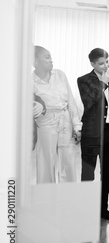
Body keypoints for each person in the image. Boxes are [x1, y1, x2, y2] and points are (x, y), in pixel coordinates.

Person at [78, 48, 109, 221]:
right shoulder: (83, 80)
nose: (105, 66)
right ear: (92, 64)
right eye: (101, 63)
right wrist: (103, 84)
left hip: (108, 133)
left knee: (107, 174)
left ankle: (102, 209)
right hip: (91, 133)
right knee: (88, 174)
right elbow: (89, 103)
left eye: (107, 61)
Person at [32, 46, 82, 183]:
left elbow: (71, 101)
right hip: (45, 122)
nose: (51, 60)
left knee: (68, 161)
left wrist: (77, 126)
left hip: (65, 119)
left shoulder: (60, 74)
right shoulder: (30, 81)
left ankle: (68, 197)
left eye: (51, 57)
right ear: (35, 61)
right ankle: (45, 196)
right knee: (46, 160)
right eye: (47, 57)